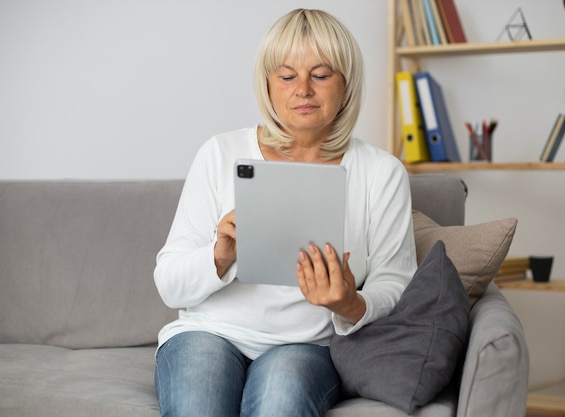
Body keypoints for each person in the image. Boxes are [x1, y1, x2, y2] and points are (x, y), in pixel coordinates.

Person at [153, 8, 417, 417]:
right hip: (208, 333)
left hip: (305, 347)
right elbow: (169, 285)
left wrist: (350, 303)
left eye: (322, 74)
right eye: (287, 75)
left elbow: (396, 282)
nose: (304, 90)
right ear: (268, 85)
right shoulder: (221, 153)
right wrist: (219, 255)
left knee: (280, 403)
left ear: (346, 84)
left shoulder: (382, 173)